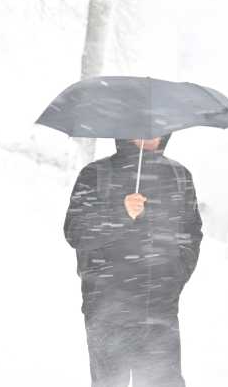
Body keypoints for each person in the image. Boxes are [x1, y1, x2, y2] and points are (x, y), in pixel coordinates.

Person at [64, 133, 203, 387]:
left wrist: (176, 275)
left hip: (160, 315)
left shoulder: (179, 177)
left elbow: (191, 234)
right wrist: (120, 213)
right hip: (108, 314)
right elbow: (76, 232)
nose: (150, 134)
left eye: (157, 127)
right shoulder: (96, 174)